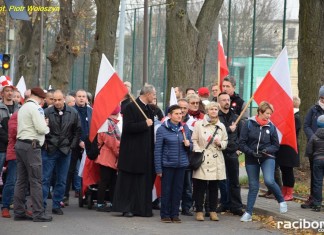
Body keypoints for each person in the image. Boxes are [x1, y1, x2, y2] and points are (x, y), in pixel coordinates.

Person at [239, 101, 287, 222]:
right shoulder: (248, 124)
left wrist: (267, 149)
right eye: (267, 113)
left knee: (269, 180)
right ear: (260, 112)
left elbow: (276, 145)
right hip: (251, 157)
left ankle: (281, 201)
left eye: (270, 114)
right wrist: (250, 152)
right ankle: (248, 212)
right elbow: (242, 143)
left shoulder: (271, 127)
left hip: (267, 157)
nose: (269, 116)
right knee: (254, 185)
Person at [113, 84, 156, 217]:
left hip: (145, 152)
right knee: (129, 182)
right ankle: (127, 207)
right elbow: (128, 127)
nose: (154, 97)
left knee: (141, 182)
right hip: (132, 152)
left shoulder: (148, 108)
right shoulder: (131, 107)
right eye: (153, 95)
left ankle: (140, 207)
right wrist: (144, 124)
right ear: (147, 94)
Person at [14, 87, 52, 222]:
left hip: (20, 144)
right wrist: (46, 126)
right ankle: (38, 213)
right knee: (36, 181)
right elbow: (42, 129)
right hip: (32, 146)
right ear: (40, 97)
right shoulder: (36, 108)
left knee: (21, 180)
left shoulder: (23, 107)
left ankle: (18, 211)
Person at [42, 90, 81, 215]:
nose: (57, 102)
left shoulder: (73, 112)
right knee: (45, 178)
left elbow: (77, 131)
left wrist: (71, 146)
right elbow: (42, 130)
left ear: (64, 99)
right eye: (54, 100)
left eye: (59, 99)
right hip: (50, 149)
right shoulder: (47, 112)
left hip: (65, 150)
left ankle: (56, 204)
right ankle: (41, 204)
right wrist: (47, 144)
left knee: (62, 179)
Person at [154, 105, 192, 223]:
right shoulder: (162, 129)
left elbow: (190, 148)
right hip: (168, 165)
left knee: (178, 190)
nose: (179, 116)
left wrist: (188, 145)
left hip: (181, 165)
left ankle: (175, 214)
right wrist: (158, 168)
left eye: (181, 113)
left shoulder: (184, 129)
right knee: (167, 190)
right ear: (169, 115)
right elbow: (158, 150)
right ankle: (165, 214)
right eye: (176, 113)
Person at [191, 101, 228, 221]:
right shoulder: (199, 124)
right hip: (203, 158)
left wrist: (220, 143)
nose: (213, 111)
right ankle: (199, 211)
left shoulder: (221, 126)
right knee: (200, 187)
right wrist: (198, 150)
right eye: (211, 109)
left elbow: (226, 141)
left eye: (216, 109)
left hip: (216, 159)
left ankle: (212, 210)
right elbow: (194, 139)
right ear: (207, 111)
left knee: (214, 187)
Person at [217, 92, 244, 216]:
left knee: (234, 180)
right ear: (219, 102)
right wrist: (228, 129)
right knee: (222, 180)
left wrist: (239, 148)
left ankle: (236, 206)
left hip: (233, 152)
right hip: (220, 152)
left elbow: (241, 135)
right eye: (223, 100)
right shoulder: (216, 117)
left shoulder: (236, 116)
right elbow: (216, 134)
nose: (226, 102)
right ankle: (224, 203)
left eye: (228, 100)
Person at [64, 89, 92, 206]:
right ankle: (65, 195)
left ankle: (84, 194)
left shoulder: (91, 111)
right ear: (75, 98)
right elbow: (69, 130)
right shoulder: (71, 111)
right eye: (79, 96)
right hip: (74, 145)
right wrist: (79, 141)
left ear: (86, 98)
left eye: (83, 96)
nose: (81, 98)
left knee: (86, 171)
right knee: (70, 170)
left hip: (88, 145)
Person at [95, 106, 121, 212]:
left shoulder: (110, 123)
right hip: (107, 156)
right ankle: (100, 204)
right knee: (105, 181)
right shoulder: (108, 123)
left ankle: (111, 202)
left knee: (110, 181)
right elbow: (111, 141)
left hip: (107, 156)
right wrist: (119, 152)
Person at [302, 85, 324, 209]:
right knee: (315, 176)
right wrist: (313, 137)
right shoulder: (313, 110)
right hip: (315, 146)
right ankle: (314, 198)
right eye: (322, 98)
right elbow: (306, 125)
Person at [276, 96, 301, 201]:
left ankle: (289, 192)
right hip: (283, 147)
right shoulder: (288, 116)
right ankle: (284, 190)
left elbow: (293, 131)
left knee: (288, 170)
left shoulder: (296, 117)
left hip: (290, 148)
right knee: (283, 169)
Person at [178, 98, 195, 216]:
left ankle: (186, 207)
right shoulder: (168, 123)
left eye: (185, 108)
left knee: (188, 186)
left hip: (187, 161)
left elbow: (193, 143)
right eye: (180, 108)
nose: (183, 111)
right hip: (174, 161)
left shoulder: (189, 125)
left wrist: (189, 145)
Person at [1, 111, 19, 218]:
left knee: (23, 183)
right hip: (15, 152)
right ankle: (5, 207)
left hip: (27, 153)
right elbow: (13, 133)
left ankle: (21, 207)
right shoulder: (17, 115)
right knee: (11, 181)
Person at [305, 115, 324, 212]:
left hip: (317, 160)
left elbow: (309, 151)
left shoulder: (314, 136)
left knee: (317, 182)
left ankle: (317, 204)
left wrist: (314, 157)